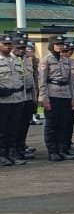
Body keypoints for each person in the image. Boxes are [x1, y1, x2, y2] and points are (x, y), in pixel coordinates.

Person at [38, 35, 74, 162]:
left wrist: (73, 98)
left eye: (61, 44)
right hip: (52, 94)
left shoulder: (66, 60)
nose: (60, 46)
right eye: (57, 44)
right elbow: (42, 81)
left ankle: (62, 150)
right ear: (51, 45)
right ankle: (52, 151)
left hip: (66, 95)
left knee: (64, 124)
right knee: (52, 125)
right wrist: (44, 99)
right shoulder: (46, 60)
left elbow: (71, 82)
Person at [0, 33, 29, 166]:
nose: (8, 46)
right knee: (2, 131)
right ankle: (2, 155)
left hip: (17, 100)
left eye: (10, 44)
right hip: (3, 101)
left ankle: (12, 154)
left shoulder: (15, 60)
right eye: (5, 44)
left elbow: (22, 80)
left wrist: (23, 98)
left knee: (14, 130)